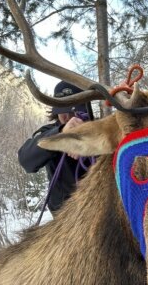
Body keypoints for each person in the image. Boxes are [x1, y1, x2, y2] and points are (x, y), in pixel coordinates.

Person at [18, 81, 94, 216]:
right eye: (62, 111)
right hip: (65, 216)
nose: (69, 117)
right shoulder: (48, 132)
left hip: (97, 208)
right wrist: (61, 135)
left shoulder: (97, 129)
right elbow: (26, 160)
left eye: (74, 111)